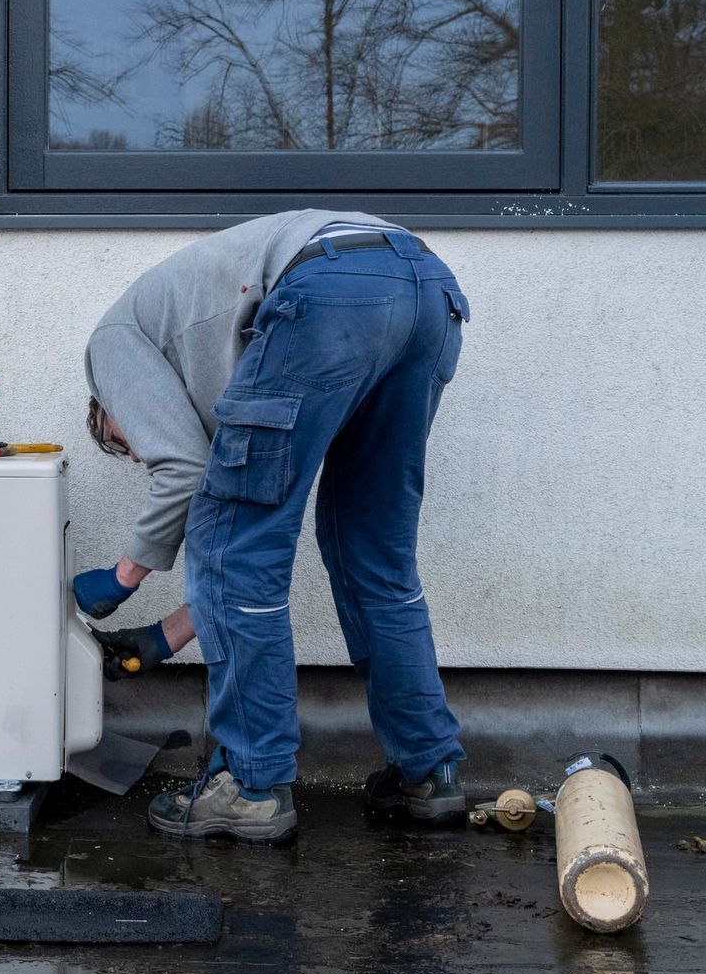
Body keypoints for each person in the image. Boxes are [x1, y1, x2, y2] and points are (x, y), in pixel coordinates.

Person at [74, 210, 471, 844]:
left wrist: (120, 579)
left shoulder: (110, 349)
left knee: (235, 548)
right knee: (375, 557)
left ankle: (252, 787)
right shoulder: (195, 340)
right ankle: (429, 771)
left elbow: (185, 473)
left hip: (327, 290)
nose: (135, 451)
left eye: (123, 445)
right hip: (425, 288)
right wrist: (163, 637)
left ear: (105, 413)